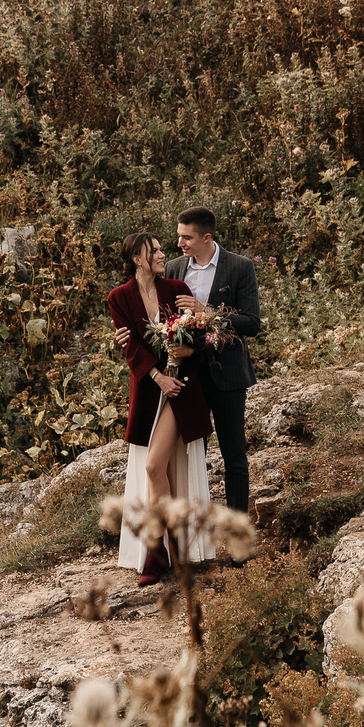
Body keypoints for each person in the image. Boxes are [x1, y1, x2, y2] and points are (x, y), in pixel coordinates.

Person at [104, 231, 214, 584]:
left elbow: (200, 334)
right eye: (153, 250)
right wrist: (157, 376)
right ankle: (165, 545)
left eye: (160, 249)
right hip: (150, 389)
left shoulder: (176, 288)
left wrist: (191, 345)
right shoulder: (118, 298)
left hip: (182, 387)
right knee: (154, 468)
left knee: (154, 466)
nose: (161, 254)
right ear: (136, 258)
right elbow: (131, 348)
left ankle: (157, 548)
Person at [164, 208, 261, 514]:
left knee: (234, 458)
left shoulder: (239, 267)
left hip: (228, 375)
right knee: (192, 457)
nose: (180, 242)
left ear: (206, 237)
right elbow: (165, 318)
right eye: (179, 235)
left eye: (186, 237)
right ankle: (196, 541)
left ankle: (238, 538)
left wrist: (207, 311)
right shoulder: (174, 267)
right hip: (189, 375)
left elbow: (252, 322)